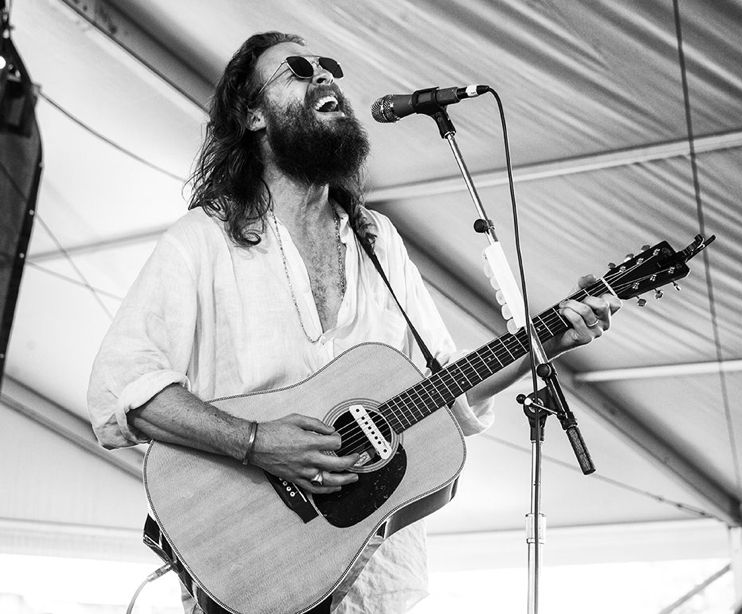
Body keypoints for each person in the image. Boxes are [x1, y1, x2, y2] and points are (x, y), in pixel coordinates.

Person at [87, 31, 621, 614]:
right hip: (255, 570)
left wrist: (550, 340)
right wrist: (257, 443)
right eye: (297, 70)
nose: (324, 78)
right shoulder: (203, 240)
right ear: (254, 117)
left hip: (379, 585)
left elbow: (443, 383)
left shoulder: (377, 241)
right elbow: (122, 387)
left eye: (328, 66)